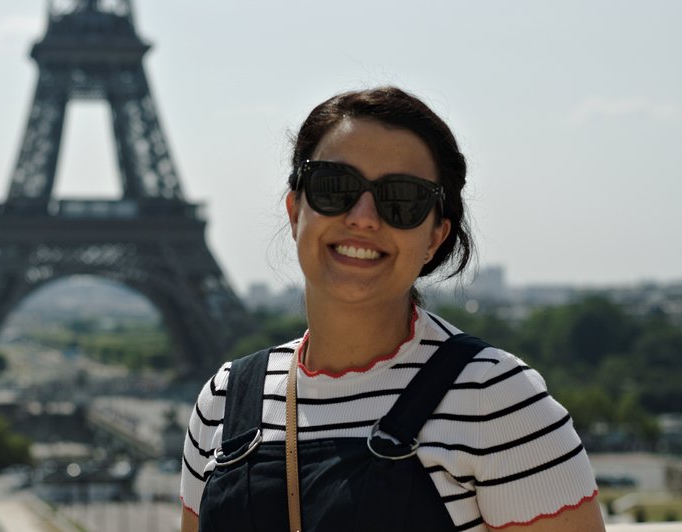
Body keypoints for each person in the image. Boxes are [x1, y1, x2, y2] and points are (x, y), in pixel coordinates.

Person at [180, 87, 605, 531]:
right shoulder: (222, 402)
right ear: (294, 210)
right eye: (334, 186)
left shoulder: (497, 401)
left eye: (402, 198)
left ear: (434, 237)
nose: (364, 216)